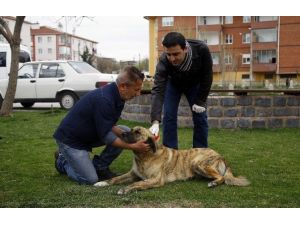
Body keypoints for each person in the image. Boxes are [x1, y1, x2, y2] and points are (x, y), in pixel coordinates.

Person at [53, 66, 149, 185]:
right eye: (136, 89)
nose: (138, 94)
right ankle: (62, 162)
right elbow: (107, 137)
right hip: (71, 141)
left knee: (125, 131)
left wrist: (126, 136)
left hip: (87, 135)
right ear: (123, 86)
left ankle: (100, 166)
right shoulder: (105, 99)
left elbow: (108, 124)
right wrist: (134, 146)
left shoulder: (118, 96)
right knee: (90, 179)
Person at [149, 32, 213, 149]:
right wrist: (155, 120)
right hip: (173, 84)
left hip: (195, 84)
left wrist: (201, 100)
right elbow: (158, 90)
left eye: (176, 54)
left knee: (200, 117)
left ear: (185, 49)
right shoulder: (163, 60)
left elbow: (207, 76)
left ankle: (200, 152)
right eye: (169, 54)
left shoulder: (202, 49)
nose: (172, 59)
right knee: (169, 115)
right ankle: (170, 152)